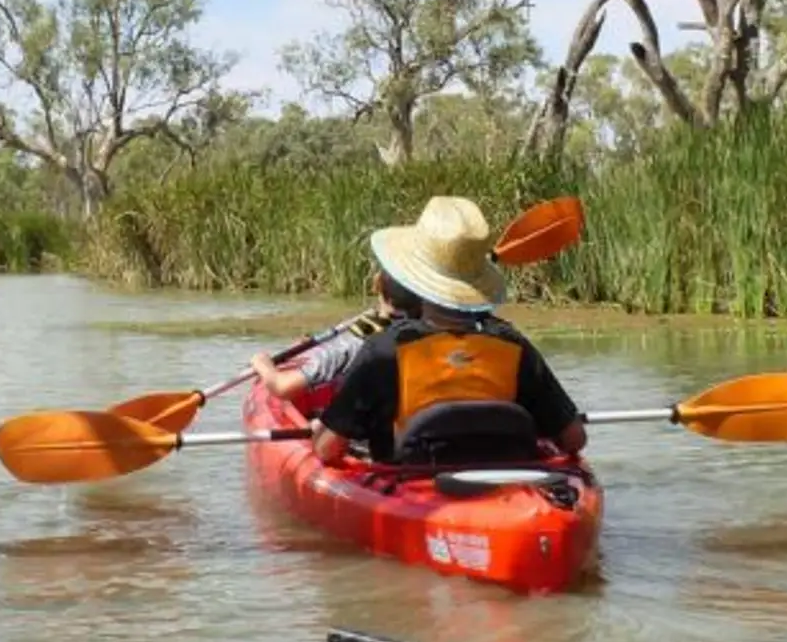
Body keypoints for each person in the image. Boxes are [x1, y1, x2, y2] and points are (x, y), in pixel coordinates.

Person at [310, 195, 588, 468]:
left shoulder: (383, 351)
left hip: (410, 487)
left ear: (416, 282)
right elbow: (574, 439)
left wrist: (318, 431)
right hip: (504, 487)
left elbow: (326, 450)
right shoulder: (515, 347)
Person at [248, 270, 421, 405]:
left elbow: (282, 386)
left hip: (365, 438)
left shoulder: (355, 343)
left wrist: (262, 363)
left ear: (377, 286)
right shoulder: (434, 332)